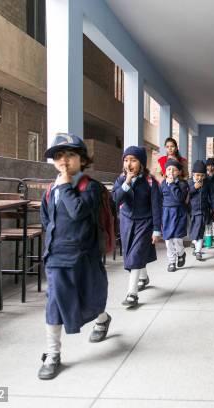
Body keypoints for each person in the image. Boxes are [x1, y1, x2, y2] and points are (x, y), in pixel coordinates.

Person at [38, 133, 110, 380]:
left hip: (83, 256)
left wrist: (67, 186)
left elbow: (78, 212)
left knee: (89, 297)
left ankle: (102, 317)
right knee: (55, 303)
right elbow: (47, 220)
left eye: (70, 155)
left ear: (82, 159)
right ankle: (53, 353)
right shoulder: (50, 190)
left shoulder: (90, 187)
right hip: (56, 257)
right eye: (59, 156)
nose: (64, 161)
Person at [112, 146, 162, 308]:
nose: (129, 164)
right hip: (126, 221)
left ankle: (132, 294)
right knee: (132, 253)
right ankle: (143, 277)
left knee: (135, 254)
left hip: (144, 222)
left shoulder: (150, 182)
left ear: (141, 163)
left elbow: (156, 207)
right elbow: (116, 200)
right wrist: (126, 182)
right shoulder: (121, 180)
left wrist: (156, 229)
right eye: (126, 160)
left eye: (133, 160)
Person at [160, 158, 188, 272]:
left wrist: (172, 185)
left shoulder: (182, 184)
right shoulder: (162, 184)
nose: (171, 171)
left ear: (179, 172)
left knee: (177, 239)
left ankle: (181, 253)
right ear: (165, 171)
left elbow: (180, 198)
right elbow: (160, 199)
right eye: (169, 169)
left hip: (179, 214)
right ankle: (171, 262)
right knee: (168, 240)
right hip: (166, 214)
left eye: (174, 170)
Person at [188, 160, 214, 261]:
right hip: (192, 211)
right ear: (193, 174)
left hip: (203, 211)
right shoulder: (189, 183)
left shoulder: (207, 183)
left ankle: (198, 251)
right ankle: (195, 244)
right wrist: (194, 188)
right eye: (197, 175)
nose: (200, 178)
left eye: (202, 175)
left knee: (200, 230)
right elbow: (185, 196)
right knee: (193, 231)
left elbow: (213, 196)